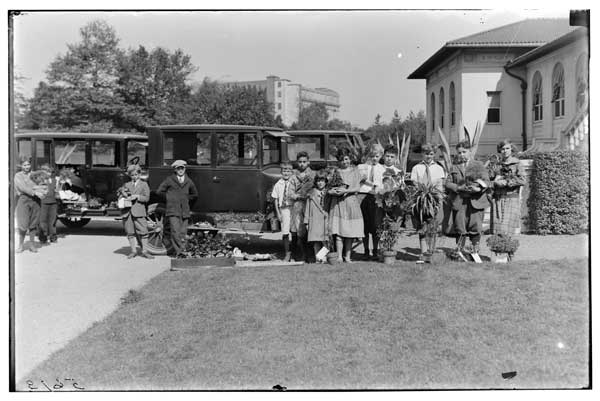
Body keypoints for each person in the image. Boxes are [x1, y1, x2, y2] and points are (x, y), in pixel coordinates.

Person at [444, 141, 490, 260]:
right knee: (460, 227)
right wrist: (458, 187)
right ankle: (460, 254)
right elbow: (447, 183)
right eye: (459, 152)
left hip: (476, 201)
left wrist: (478, 188)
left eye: (464, 152)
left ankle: (475, 254)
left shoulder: (479, 165)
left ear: (470, 152)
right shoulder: (454, 167)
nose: (462, 154)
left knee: (475, 227)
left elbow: (487, 182)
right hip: (460, 202)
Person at [410, 143, 447, 263]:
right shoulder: (416, 168)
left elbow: (440, 186)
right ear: (422, 154)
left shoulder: (439, 168)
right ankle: (423, 253)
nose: (428, 156)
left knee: (433, 226)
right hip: (421, 200)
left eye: (431, 154)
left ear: (434, 154)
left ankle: (431, 251)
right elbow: (415, 184)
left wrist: (439, 199)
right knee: (422, 226)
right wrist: (421, 194)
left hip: (434, 201)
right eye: (426, 154)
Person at [156, 160, 198, 257]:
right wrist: (169, 198)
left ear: (185, 169)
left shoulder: (188, 181)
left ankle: (182, 251)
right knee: (175, 232)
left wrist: (186, 199)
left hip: (184, 211)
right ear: (175, 169)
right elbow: (159, 191)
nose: (180, 170)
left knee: (183, 233)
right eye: (178, 168)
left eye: (182, 168)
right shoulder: (169, 180)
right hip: (173, 210)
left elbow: (195, 194)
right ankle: (180, 252)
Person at [328, 147, 364, 263]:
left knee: (349, 231)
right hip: (338, 203)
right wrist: (333, 191)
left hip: (351, 202)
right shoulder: (335, 172)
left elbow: (357, 187)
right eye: (342, 160)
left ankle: (347, 256)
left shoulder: (355, 171)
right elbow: (329, 187)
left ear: (350, 159)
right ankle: (339, 256)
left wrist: (346, 191)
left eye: (347, 159)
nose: (345, 162)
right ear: (338, 161)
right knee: (339, 230)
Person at [489, 139, 526, 235]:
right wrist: (495, 183)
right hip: (497, 198)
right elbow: (488, 180)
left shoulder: (517, 164)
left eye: (507, 148)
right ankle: (497, 249)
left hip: (511, 198)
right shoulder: (496, 165)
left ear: (512, 149)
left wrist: (507, 182)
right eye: (502, 149)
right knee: (497, 229)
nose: (505, 151)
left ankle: (507, 248)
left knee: (507, 229)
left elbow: (522, 180)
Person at [357, 143, 385, 260]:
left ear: (380, 156)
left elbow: (383, 184)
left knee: (375, 225)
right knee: (364, 225)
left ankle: (375, 249)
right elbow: (360, 180)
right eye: (372, 156)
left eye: (377, 156)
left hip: (375, 198)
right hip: (363, 195)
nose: (374, 158)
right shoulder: (363, 167)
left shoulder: (382, 169)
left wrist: (379, 189)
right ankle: (366, 250)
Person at [120, 164, 154, 259]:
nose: (134, 177)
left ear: (139, 174)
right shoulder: (127, 184)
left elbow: (147, 198)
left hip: (139, 212)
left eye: (136, 174)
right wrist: (124, 194)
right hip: (127, 212)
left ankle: (145, 251)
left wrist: (137, 197)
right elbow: (121, 194)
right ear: (129, 175)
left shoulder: (144, 184)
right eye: (132, 175)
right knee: (130, 232)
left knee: (143, 231)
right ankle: (133, 251)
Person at [14, 157, 46, 253]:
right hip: (23, 200)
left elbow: (43, 184)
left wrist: (43, 191)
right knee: (23, 223)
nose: (27, 167)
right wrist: (35, 191)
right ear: (21, 166)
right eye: (24, 165)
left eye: (28, 164)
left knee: (33, 223)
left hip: (36, 201)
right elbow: (22, 187)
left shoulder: (35, 174)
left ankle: (32, 244)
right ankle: (20, 245)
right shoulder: (18, 175)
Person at [289, 151, 315, 262]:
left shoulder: (313, 175)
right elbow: (290, 193)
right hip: (298, 205)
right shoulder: (294, 176)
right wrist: (299, 196)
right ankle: (302, 254)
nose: (302, 164)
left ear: (308, 162)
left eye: (304, 162)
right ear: (297, 162)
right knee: (299, 230)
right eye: (300, 162)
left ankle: (312, 254)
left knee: (312, 229)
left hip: (311, 205)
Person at [304, 170, 329, 263]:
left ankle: (322, 257)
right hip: (314, 219)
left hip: (325, 219)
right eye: (318, 180)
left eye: (322, 180)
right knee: (316, 241)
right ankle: (318, 259)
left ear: (326, 181)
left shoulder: (328, 193)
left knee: (326, 241)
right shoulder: (311, 194)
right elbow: (307, 208)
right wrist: (306, 221)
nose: (320, 183)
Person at [271, 162, 295, 261]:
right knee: (285, 232)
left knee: (294, 231)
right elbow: (275, 199)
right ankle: (287, 253)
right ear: (281, 172)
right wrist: (278, 213)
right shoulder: (278, 184)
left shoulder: (294, 182)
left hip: (293, 208)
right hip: (284, 209)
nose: (286, 173)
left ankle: (295, 252)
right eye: (284, 170)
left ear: (291, 172)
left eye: (288, 171)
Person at [38, 163, 59, 244]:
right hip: (43, 202)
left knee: (52, 220)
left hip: (53, 202)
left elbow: (56, 190)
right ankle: (43, 237)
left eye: (49, 171)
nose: (48, 173)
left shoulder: (55, 180)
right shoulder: (40, 180)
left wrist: (57, 191)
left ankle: (53, 237)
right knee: (42, 220)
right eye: (46, 171)